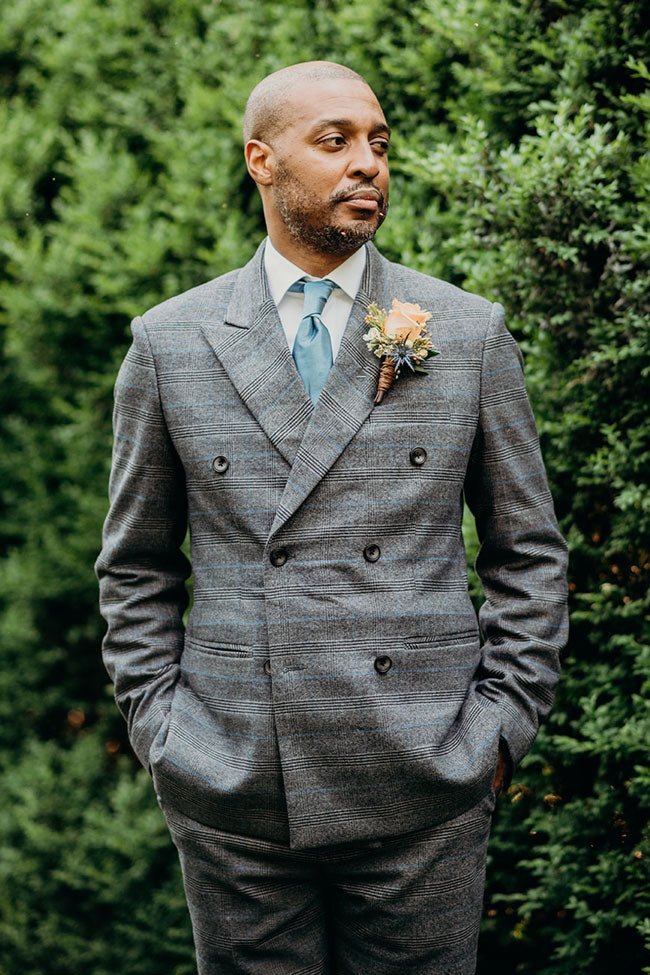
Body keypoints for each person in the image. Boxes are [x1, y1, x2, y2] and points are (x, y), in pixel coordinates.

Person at [96, 60, 569, 975]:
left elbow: (530, 553)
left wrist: (496, 733)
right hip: (234, 786)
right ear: (260, 161)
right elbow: (136, 565)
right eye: (335, 140)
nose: (368, 163)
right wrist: (167, 734)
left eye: (380, 143)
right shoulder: (171, 342)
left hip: (424, 783)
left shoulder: (465, 333)